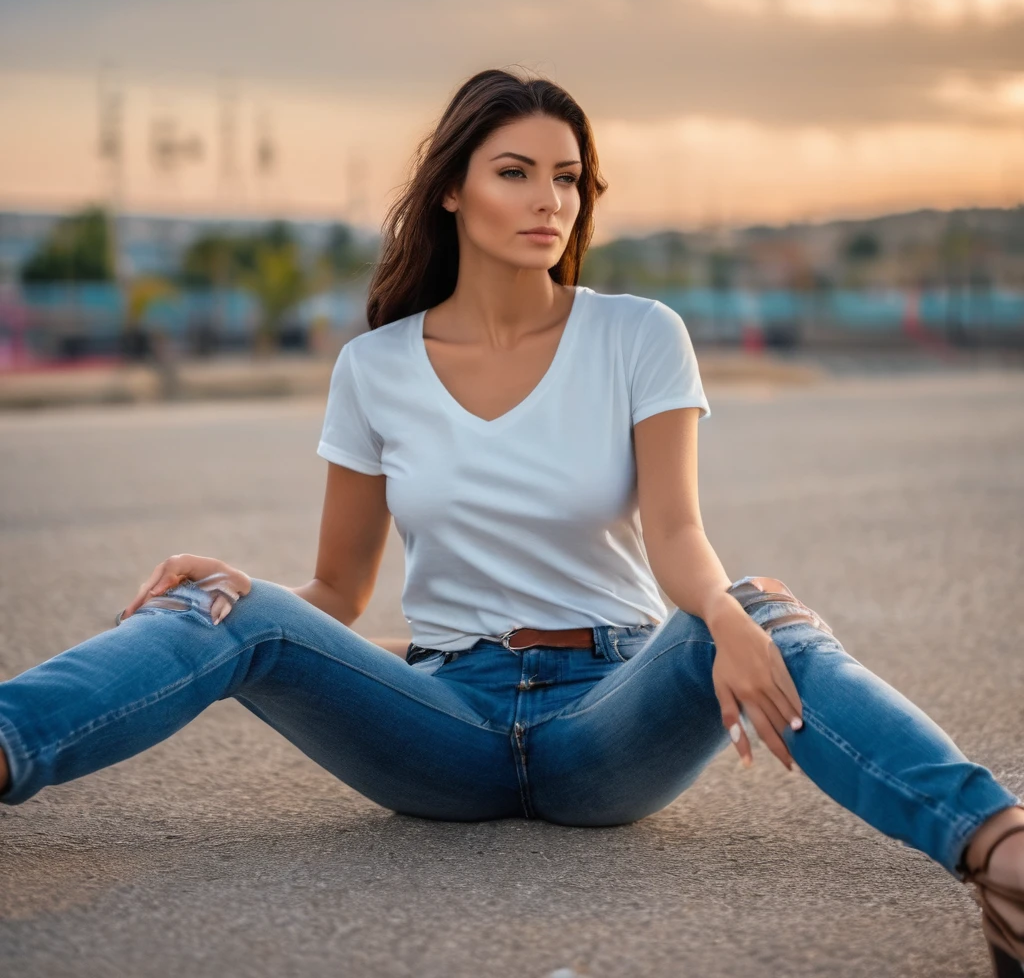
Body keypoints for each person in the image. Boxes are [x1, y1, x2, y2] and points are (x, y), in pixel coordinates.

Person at [1, 67, 1021, 973]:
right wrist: (242, 595)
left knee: (763, 613)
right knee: (212, 604)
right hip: (442, 723)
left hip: (609, 718)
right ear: (451, 187)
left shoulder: (637, 334)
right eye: (515, 172)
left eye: (568, 177)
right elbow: (337, 593)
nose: (549, 200)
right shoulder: (375, 368)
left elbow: (675, 533)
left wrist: (725, 616)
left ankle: (1002, 853)